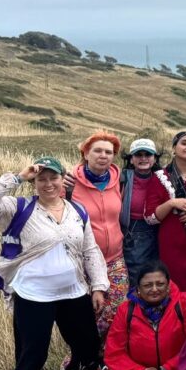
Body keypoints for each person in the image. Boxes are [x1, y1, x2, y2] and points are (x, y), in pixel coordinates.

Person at [0, 156, 107, 370]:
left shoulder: (77, 211)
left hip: (73, 292)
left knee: (87, 346)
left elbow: (90, 250)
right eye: (41, 179)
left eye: (53, 178)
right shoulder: (18, 209)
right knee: (33, 354)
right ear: (34, 183)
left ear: (62, 180)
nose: (48, 184)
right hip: (34, 295)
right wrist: (18, 177)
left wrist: (99, 286)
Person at [67, 131, 127, 336]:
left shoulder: (118, 180)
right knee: (86, 311)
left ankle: (103, 353)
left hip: (115, 259)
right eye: (98, 151)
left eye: (109, 152)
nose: (104, 156)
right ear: (85, 153)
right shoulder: (69, 183)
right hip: (82, 260)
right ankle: (83, 357)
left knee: (115, 309)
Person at [147, 130, 186, 300]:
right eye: (184, 143)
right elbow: (150, 217)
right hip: (172, 244)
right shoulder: (160, 177)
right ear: (174, 147)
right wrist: (172, 203)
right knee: (176, 289)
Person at [119, 138, 162, 276]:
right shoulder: (122, 178)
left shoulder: (163, 178)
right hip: (132, 233)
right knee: (137, 274)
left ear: (155, 158)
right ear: (131, 159)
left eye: (148, 155)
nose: (143, 158)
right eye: (138, 155)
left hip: (159, 231)